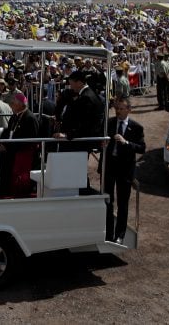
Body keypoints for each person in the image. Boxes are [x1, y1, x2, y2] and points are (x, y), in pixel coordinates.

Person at [101, 97, 145, 243]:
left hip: (125, 169)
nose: (118, 111)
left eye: (121, 108)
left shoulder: (136, 127)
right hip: (109, 167)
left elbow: (142, 148)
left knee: (122, 203)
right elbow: (99, 140)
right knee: (108, 201)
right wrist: (101, 143)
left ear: (128, 109)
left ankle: (120, 235)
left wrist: (126, 143)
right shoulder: (109, 123)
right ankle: (107, 232)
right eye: (116, 108)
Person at [0, 93, 40, 197]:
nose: (11, 104)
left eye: (14, 102)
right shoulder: (15, 116)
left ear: (21, 104)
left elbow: (30, 139)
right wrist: (1, 143)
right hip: (11, 149)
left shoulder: (30, 118)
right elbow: (7, 131)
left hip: (22, 151)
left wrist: (7, 147)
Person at [54, 70, 105, 154]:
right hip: (78, 142)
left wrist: (67, 135)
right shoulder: (87, 93)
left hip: (78, 143)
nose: (71, 87)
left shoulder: (86, 97)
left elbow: (85, 123)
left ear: (79, 83)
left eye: (71, 84)